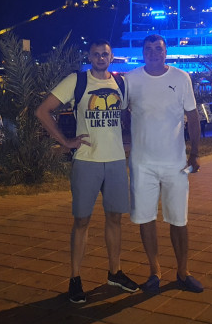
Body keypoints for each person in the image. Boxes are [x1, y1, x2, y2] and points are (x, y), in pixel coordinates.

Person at [35, 39, 138, 303]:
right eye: (96, 54)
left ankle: (115, 272)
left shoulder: (122, 84)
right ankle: (75, 278)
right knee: (82, 221)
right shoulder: (77, 81)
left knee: (115, 219)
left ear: (111, 57)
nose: (101, 58)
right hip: (86, 160)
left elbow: (132, 112)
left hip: (116, 160)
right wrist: (66, 141)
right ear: (89, 57)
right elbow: (43, 111)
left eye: (105, 54)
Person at [126, 34, 203, 294]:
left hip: (175, 163)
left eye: (158, 48)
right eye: (148, 49)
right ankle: (154, 271)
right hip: (142, 164)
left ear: (166, 51)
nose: (153, 53)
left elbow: (193, 117)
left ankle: (183, 271)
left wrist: (195, 153)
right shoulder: (131, 79)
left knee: (179, 220)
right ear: (142, 53)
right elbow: (120, 113)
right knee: (146, 218)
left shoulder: (181, 78)